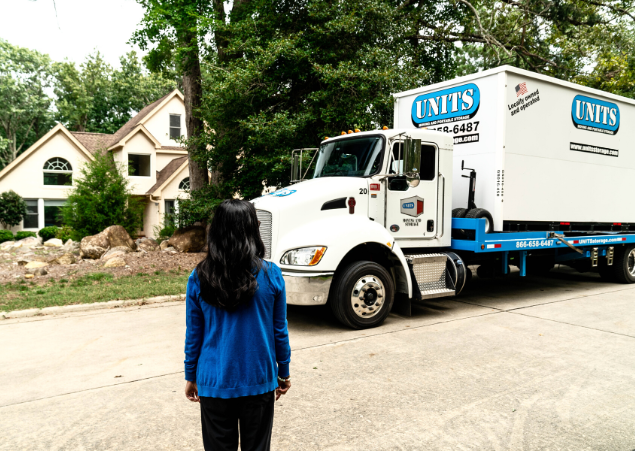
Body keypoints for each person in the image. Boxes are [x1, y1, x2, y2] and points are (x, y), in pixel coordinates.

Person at [184, 199, 291, 451]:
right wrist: (283, 371)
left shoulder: (198, 277)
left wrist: (191, 375)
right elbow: (280, 331)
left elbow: (194, 335)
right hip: (259, 379)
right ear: (254, 229)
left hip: (214, 382)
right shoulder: (271, 274)